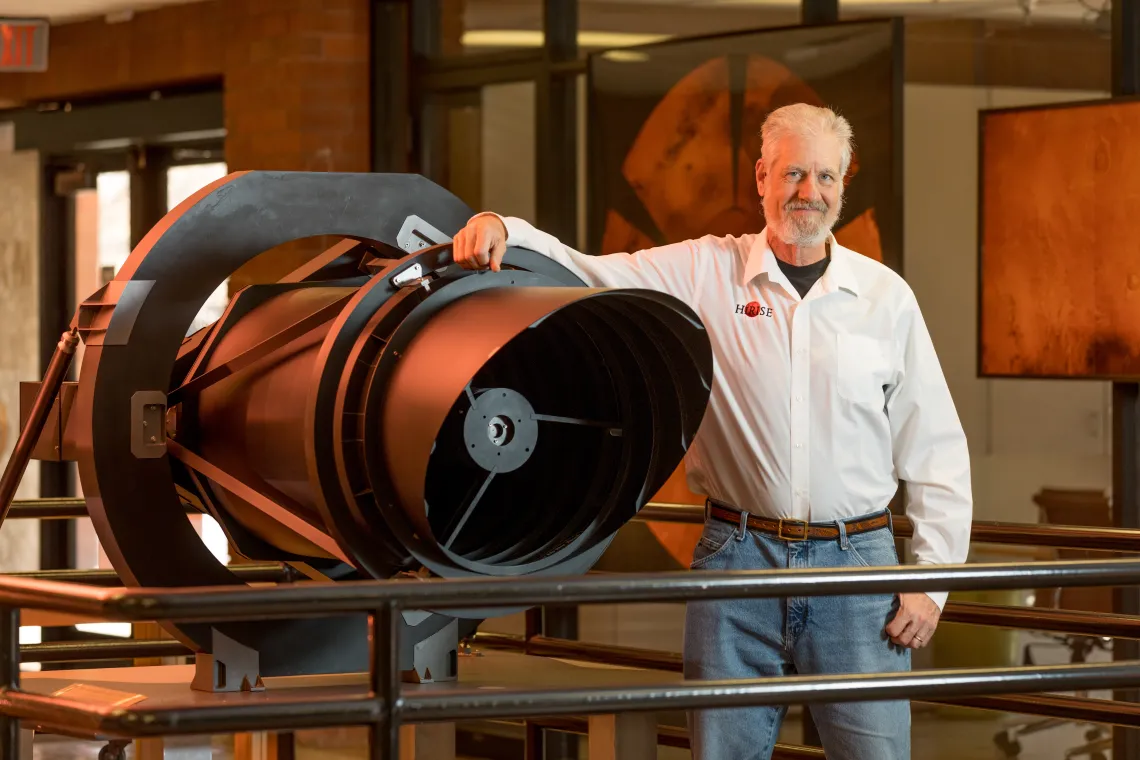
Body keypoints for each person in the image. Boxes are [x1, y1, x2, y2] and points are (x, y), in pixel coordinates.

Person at [451, 102, 972, 760]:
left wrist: (931, 582)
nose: (808, 192)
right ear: (761, 178)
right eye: (791, 174)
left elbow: (936, 451)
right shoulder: (703, 271)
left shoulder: (884, 298)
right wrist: (501, 226)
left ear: (843, 185)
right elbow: (587, 270)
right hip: (736, 561)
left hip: (857, 570)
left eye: (825, 177)